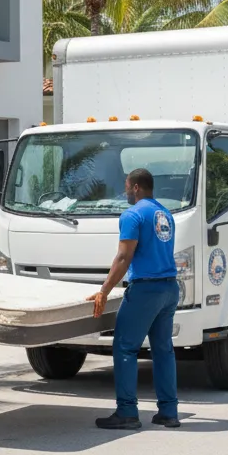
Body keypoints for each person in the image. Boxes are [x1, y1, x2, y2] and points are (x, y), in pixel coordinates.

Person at [86, 168, 181, 430]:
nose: (125, 191)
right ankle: (169, 412)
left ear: (136, 187)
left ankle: (127, 412)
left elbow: (123, 257)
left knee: (125, 347)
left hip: (145, 290)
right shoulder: (165, 214)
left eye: (127, 186)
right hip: (169, 288)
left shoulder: (132, 215)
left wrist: (104, 290)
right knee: (163, 350)